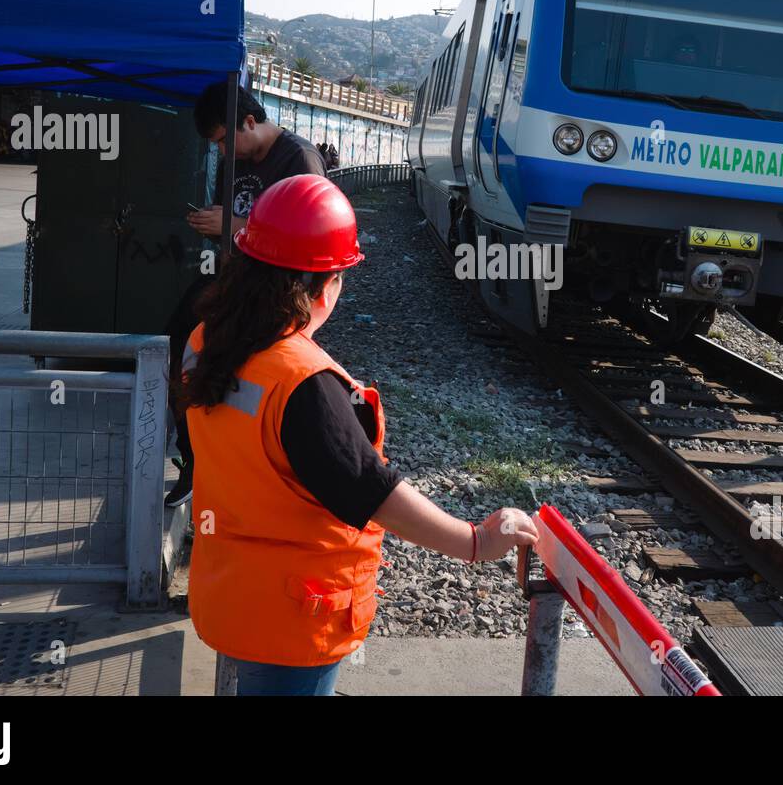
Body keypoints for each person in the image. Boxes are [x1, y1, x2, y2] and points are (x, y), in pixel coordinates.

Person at [178, 174, 538, 695]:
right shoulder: (303, 384)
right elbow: (372, 491)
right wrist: (476, 541)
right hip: (293, 618)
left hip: (228, 593)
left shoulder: (204, 339)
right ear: (322, 286)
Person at [163, 82, 326, 508]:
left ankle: (232, 464)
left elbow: (308, 238)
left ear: (249, 121)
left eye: (222, 141)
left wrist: (233, 225)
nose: (220, 153)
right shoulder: (236, 160)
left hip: (277, 292)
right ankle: (195, 458)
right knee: (176, 342)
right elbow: (231, 225)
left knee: (239, 369)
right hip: (234, 278)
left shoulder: (299, 159)